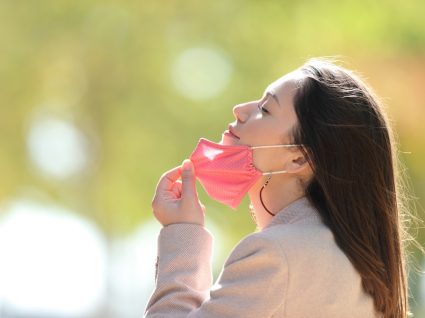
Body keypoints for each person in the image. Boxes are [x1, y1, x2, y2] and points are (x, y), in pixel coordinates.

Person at [144, 58, 413, 317]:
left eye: (265, 109)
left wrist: (182, 234)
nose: (240, 109)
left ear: (299, 158)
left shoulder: (276, 255)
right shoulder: (354, 263)